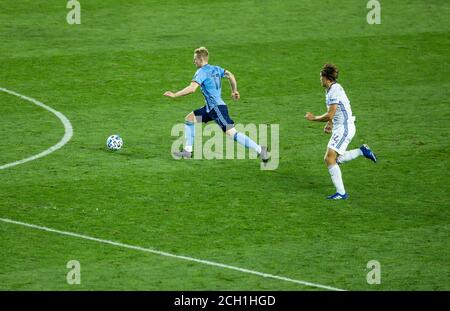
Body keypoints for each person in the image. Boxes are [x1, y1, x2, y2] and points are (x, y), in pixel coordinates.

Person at [164, 47, 268, 162]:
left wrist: (175, 95)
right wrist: (234, 90)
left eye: (195, 59)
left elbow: (192, 89)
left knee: (231, 133)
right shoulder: (216, 69)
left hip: (217, 109)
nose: (194, 62)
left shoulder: (201, 72)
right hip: (210, 110)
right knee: (190, 119)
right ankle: (188, 151)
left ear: (200, 59)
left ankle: (260, 149)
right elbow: (230, 75)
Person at [305, 64, 377, 200]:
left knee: (329, 158)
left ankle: (341, 193)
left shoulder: (334, 90)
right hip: (341, 126)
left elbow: (330, 114)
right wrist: (330, 123)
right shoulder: (330, 90)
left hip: (345, 127)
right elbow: (334, 112)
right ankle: (362, 151)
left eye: (321, 77)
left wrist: (313, 118)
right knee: (334, 159)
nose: (319, 80)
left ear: (327, 78)